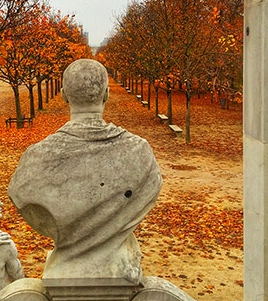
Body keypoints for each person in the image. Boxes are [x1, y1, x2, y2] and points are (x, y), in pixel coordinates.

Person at [9, 58, 162, 284]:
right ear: (106, 94)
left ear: (63, 95)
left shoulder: (34, 161)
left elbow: (19, 193)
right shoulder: (142, 155)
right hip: (115, 266)